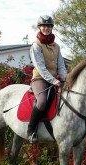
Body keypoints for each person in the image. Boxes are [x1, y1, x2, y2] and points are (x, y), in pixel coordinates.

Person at [27, 15, 67, 143]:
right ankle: (31, 130)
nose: (46, 28)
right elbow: (40, 67)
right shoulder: (36, 45)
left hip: (54, 78)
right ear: (39, 27)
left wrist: (66, 78)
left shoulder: (56, 46)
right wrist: (53, 80)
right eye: (44, 26)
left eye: (49, 26)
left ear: (51, 28)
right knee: (42, 101)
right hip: (39, 78)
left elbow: (61, 64)